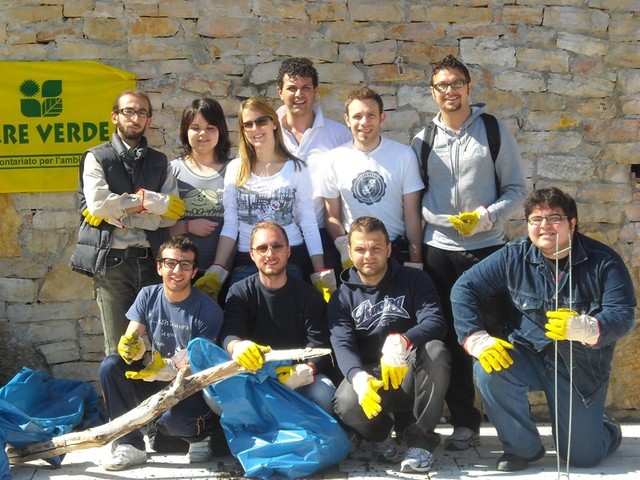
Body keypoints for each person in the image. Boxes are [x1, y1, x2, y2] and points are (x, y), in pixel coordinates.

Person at [451, 187, 636, 472]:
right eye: (535, 220)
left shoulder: (604, 261)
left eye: (554, 218)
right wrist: (476, 338)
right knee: (488, 369)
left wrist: (588, 328)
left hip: (579, 366)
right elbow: (464, 288)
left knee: (582, 457)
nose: (544, 226)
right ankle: (522, 448)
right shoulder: (513, 256)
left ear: (572, 223)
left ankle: (605, 428)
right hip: (528, 352)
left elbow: (623, 313)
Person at [410, 55, 527, 451]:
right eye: (442, 85)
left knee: (497, 334)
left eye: (457, 83)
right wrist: (432, 231)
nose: (450, 91)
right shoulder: (423, 140)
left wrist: (487, 217)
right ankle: (465, 422)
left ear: (469, 87)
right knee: (452, 337)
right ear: (433, 92)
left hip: (488, 249)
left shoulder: (492, 130)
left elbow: (517, 190)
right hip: (440, 252)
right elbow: (417, 200)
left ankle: (512, 424)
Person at [328, 216, 450, 473]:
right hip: (372, 376)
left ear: (389, 249)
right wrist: (358, 377)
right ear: (349, 251)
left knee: (436, 350)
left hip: (409, 370)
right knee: (345, 402)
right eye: (360, 249)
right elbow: (342, 344)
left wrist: (404, 340)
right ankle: (381, 435)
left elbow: (436, 322)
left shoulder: (415, 279)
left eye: (376, 248)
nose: (368, 255)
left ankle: (421, 443)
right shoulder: (341, 297)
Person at [71, 90, 185, 355]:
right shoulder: (96, 157)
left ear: (149, 120)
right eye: (128, 111)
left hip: (152, 262)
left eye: (142, 112)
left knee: (162, 350)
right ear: (115, 117)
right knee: (120, 350)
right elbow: (98, 204)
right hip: (113, 264)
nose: (135, 118)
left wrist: (120, 212)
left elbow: (170, 215)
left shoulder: (160, 161)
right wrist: (149, 201)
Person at [99, 236, 224, 471]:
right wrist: (132, 348)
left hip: (192, 386)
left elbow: (204, 365)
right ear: (159, 267)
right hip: (156, 378)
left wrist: (170, 370)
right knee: (111, 366)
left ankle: (200, 437)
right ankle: (129, 444)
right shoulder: (148, 295)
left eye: (185, 265)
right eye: (170, 263)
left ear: (194, 271)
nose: (177, 271)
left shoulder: (208, 310)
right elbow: (132, 337)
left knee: (173, 420)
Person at [220, 221, 335, 413]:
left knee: (325, 393)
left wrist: (306, 370)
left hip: (297, 376)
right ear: (252, 255)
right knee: (214, 395)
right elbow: (230, 331)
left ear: (288, 251)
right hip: (253, 376)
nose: (270, 254)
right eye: (262, 248)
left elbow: (319, 343)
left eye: (277, 246)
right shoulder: (239, 292)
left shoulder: (309, 296)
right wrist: (236, 346)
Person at [213, 96, 326, 289]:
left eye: (261, 121)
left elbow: (308, 222)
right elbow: (231, 223)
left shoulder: (297, 168)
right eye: (248, 124)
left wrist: (320, 273)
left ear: (274, 123)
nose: (255, 128)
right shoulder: (235, 168)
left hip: (290, 256)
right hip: (247, 257)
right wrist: (217, 269)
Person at [321, 86, 424, 271]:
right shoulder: (332, 160)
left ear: (382, 118)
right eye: (357, 116)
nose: (364, 122)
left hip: (395, 251)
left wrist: (415, 260)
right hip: (356, 254)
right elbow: (332, 217)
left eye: (371, 115)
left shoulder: (404, 156)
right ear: (347, 119)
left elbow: (412, 215)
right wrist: (346, 250)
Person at [275, 57, 352, 273]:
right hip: (279, 237)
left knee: (328, 292)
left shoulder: (339, 135)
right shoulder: (267, 133)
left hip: (324, 236)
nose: (299, 94)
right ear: (280, 91)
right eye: (292, 88)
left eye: (306, 88)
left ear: (315, 91)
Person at [169, 98, 231, 301]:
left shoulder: (235, 170)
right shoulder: (172, 171)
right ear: (185, 132)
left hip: (226, 274)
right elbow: (158, 228)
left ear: (220, 130)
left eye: (210, 127)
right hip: (182, 274)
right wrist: (188, 226)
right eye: (195, 128)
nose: (202, 134)